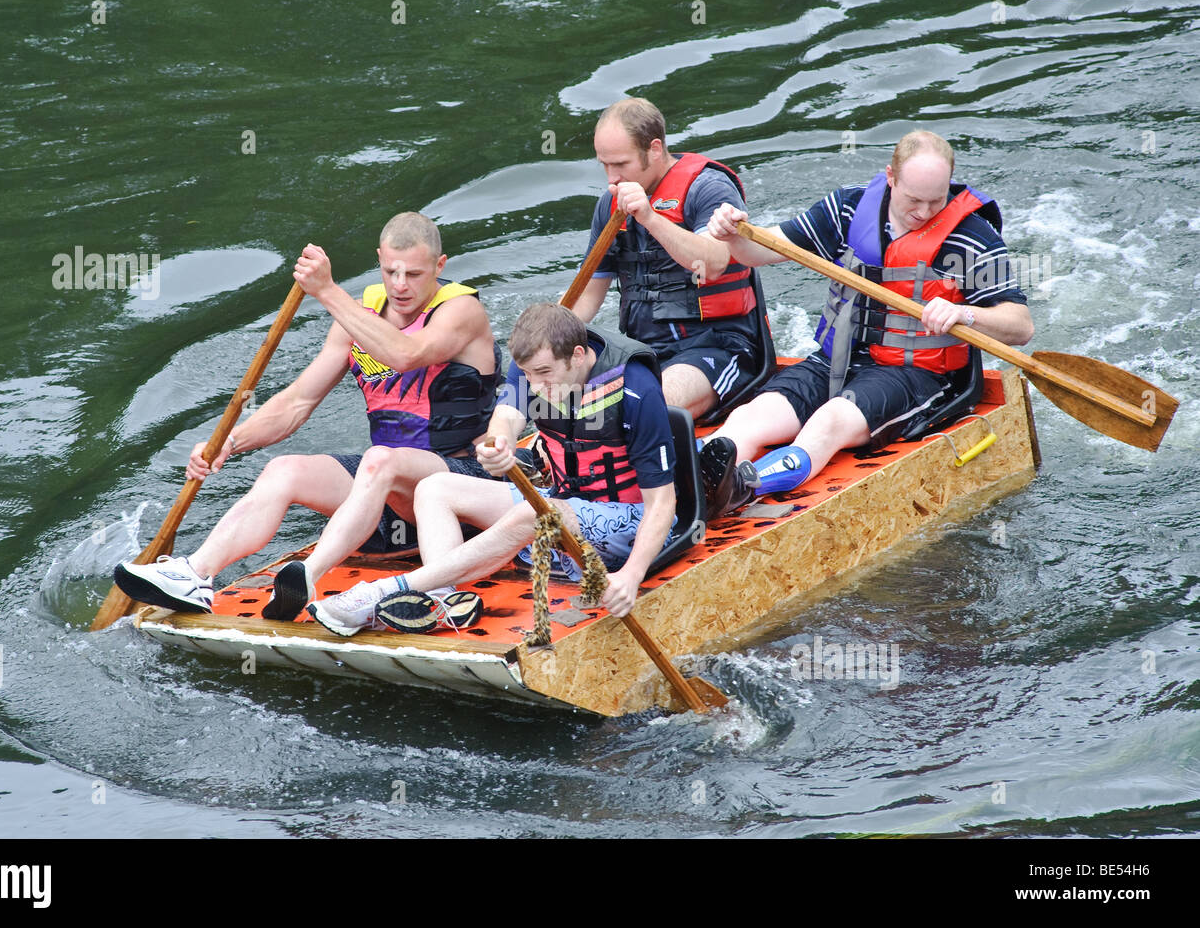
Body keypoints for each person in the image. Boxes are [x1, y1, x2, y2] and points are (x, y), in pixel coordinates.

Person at [113, 212, 500, 618]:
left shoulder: (460, 311)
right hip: (390, 502)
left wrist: (328, 291)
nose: (401, 285)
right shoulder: (360, 315)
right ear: (379, 261)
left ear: (439, 266)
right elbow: (298, 401)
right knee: (285, 469)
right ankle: (196, 575)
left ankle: (308, 575)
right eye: (391, 271)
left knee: (380, 459)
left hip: (462, 490)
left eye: (415, 274)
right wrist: (230, 441)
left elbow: (407, 355)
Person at [697, 130, 1035, 516]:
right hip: (835, 359)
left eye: (935, 201)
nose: (924, 212)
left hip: (912, 374)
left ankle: (742, 487)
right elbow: (761, 251)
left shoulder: (972, 238)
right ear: (890, 177)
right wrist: (733, 234)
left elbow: (1020, 326)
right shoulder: (848, 208)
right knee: (753, 416)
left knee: (829, 421)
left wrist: (966, 313)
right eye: (913, 199)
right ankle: (695, 477)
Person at [305, 303, 677, 635]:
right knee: (435, 488)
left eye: (545, 374)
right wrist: (499, 444)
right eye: (529, 375)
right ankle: (442, 600)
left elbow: (662, 503)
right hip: (563, 503)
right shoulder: (532, 366)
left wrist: (631, 576)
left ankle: (390, 591)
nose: (537, 387)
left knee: (537, 515)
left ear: (578, 356)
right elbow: (507, 417)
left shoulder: (636, 390)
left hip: (628, 521)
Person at [572, 97, 768, 419]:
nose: (611, 178)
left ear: (654, 149)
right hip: (643, 352)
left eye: (621, 165)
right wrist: (547, 342)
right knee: (567, 402)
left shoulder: (708, 187)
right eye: (604, 165)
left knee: (645, 407)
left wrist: (650, 217)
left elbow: (715, 263)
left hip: (717, 346)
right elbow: (586, 300)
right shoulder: (608, 207)